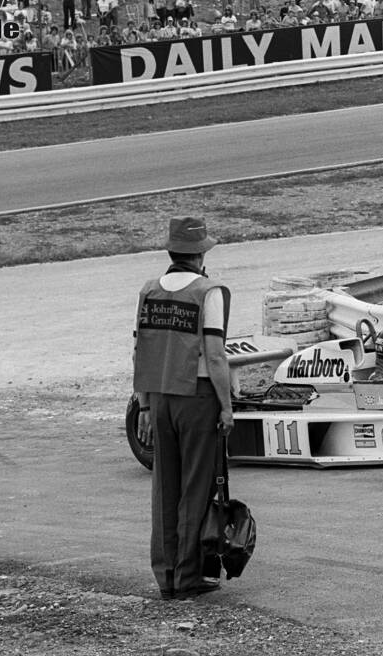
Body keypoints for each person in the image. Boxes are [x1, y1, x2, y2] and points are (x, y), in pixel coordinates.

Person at [133, 217, 234, 600]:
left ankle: (167, 575)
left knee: (165, 488)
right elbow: (215, 354)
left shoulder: (149, 290)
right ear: (199, 253)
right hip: (197, 396)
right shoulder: (208, 292)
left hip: (158, 397)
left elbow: (140, 350)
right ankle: (189, 576)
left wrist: (143, 406)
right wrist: (226, 408)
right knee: (195, 487)